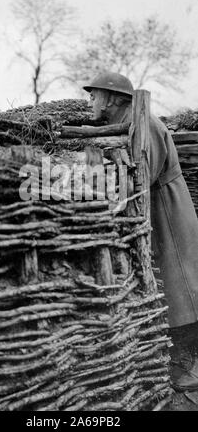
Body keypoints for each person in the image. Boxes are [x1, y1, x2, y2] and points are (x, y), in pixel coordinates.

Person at [83, 72, 198, 391]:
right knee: (175, 288)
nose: (91, 101)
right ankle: (183, 363)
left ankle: (187, 368)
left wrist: (103, 190)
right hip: (158, 206)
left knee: (181, 289)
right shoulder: (133, 121)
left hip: (167, 209)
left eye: (95, 96)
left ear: (112, 98)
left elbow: (141, 174)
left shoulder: (143, 123)